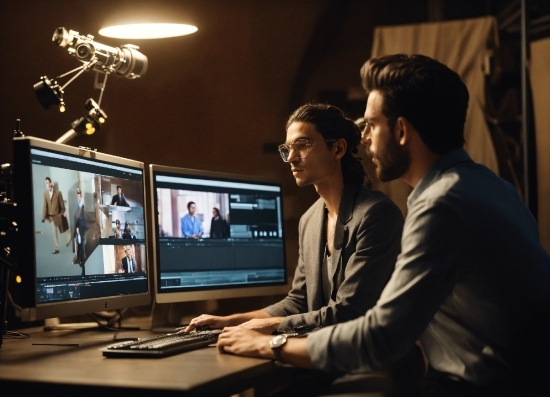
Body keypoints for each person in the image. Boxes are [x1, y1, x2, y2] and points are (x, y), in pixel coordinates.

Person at [216, 55, 550, 397]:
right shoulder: (490, 186)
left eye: (371, 125)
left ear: (402, 131)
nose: (364, 139)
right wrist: (241, 323)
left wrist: (270, 344)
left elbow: (380, 336)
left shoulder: (441, 204)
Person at [185, 103, 403, 338]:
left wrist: (274, 326)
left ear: (338, 149)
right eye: (287, 148)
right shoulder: (309, 220)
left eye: (302, 145)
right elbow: (297, 302)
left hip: (366, 358)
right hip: (321, 352)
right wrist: (230, 321)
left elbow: (350, 311)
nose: (290, 158)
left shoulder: (377, 213)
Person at [41, 176, 68, 254]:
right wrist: (43, 217)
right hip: (51, 217)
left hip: (58, 216)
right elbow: (45, 206)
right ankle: (57, 248)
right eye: (46, 183)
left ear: (50, 182)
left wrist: (61, 214)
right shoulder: (45, 194)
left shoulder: (58, 193)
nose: (47, 184)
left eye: (48, 182)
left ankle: (69, 242)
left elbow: (63, 206)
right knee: (54, 233)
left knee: (64, 230)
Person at [73, 188, 87, 273]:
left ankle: (81, 260)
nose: (78, 197)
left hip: (81, 226)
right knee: (79, 243)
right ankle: (80, 259)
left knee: (81, 243)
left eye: (79, 196)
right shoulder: (78, 204)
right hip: (78, 226)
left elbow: (81, 217)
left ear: (81, 196)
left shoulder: (82, 204)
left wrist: (78, 226)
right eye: (77, 196)